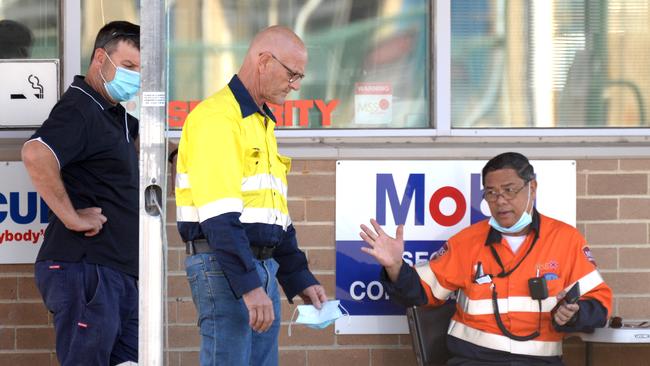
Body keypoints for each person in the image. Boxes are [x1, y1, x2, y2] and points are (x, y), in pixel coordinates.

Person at [360, 152, 612, 366]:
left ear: (532, 188)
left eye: (509, 190)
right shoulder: (467, 242)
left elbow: (600, 302)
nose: (500, 200)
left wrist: (575, 314)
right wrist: (395, 266)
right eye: (491, 193)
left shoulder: (566, 239)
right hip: (473, 360)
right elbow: (421, 293)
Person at [175, 25, 327, 366]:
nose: (296, 85)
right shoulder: (218, 119)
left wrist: (298, 276)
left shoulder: (260, 122)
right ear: (263, 61)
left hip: (259, 268)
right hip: (225, 267)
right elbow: (219, 217)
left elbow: (272, 215)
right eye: (292, 74)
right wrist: (248, 286)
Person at [21, 21, 140, 366]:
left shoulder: (114, 115)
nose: (134, 76)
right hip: (87, 269)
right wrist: (72, 217)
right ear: (100, 58)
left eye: (140, 70)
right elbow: (36, 154)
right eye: (129, 66)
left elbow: (157, 146)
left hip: (117, 271)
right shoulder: (80, 108)